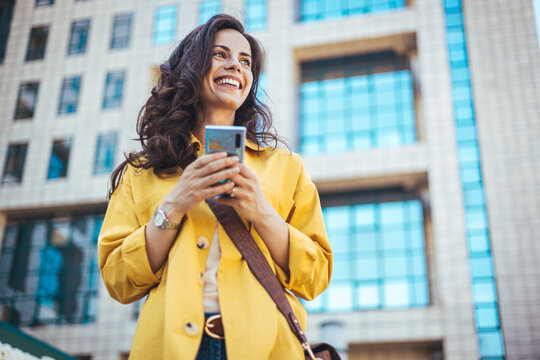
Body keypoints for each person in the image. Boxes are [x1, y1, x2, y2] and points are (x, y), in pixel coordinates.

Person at [98, 14, 332, 360]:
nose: (236, 66)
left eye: (246, 61)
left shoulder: (286, 167)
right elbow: (118, 279)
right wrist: (174, 205)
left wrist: (262, 212)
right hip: (170, 349)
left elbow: (315, 277)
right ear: (191, 67)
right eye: (220, 54)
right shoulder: (143, 172)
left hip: (267, 348)